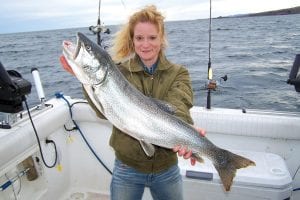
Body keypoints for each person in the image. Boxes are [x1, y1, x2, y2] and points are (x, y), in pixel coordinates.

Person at [85, 5, 205, 200]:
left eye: (152, 38)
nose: (145, 45)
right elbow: (102, 111)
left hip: (166, 168)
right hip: (126, 167)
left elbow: (179, 105)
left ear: (162, 38)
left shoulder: (179, 73)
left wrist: (185, 132)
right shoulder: (119, 73)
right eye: (139, 38)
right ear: (132, 40)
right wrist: (85, 78)